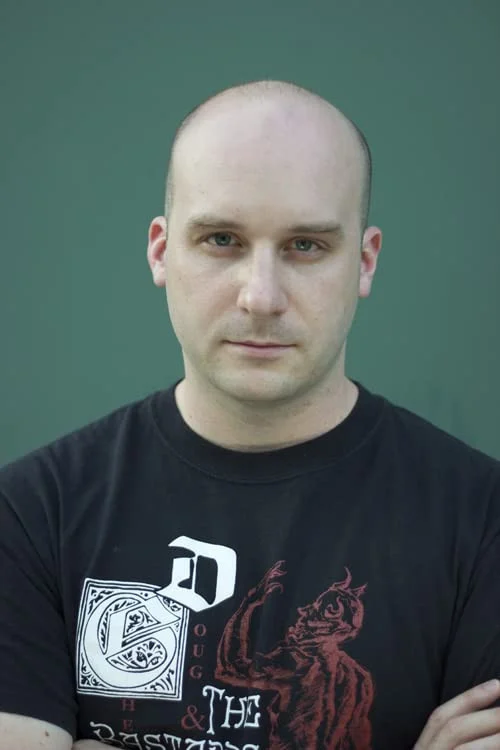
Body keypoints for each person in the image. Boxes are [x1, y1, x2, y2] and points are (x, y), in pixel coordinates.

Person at [0, 79, 499, 750]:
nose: (261, 297)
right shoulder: (30, 514)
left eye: (306, 246)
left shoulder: (483, 520)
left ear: (364, 261)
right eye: (221, 239)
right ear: (161, 250)